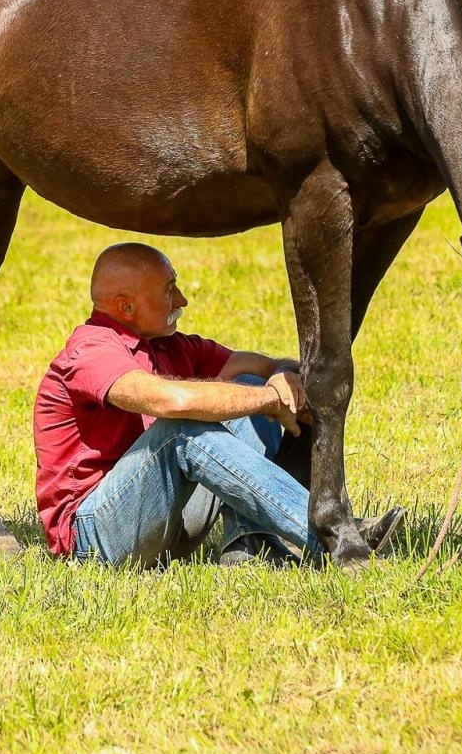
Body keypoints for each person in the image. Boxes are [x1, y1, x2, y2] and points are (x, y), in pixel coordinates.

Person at [32, 242, 406, 568]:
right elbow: (171, 401)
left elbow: (258, 367)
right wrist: (269, 400)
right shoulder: (91, 350)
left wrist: (287, 378)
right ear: (126, 306)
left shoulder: (170, 345)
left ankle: (249, 547)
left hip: (163, 523)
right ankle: (333, 536)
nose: (182, 300)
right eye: (169, 290)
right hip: (95, 539)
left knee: (244, 387)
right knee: (182, 430)